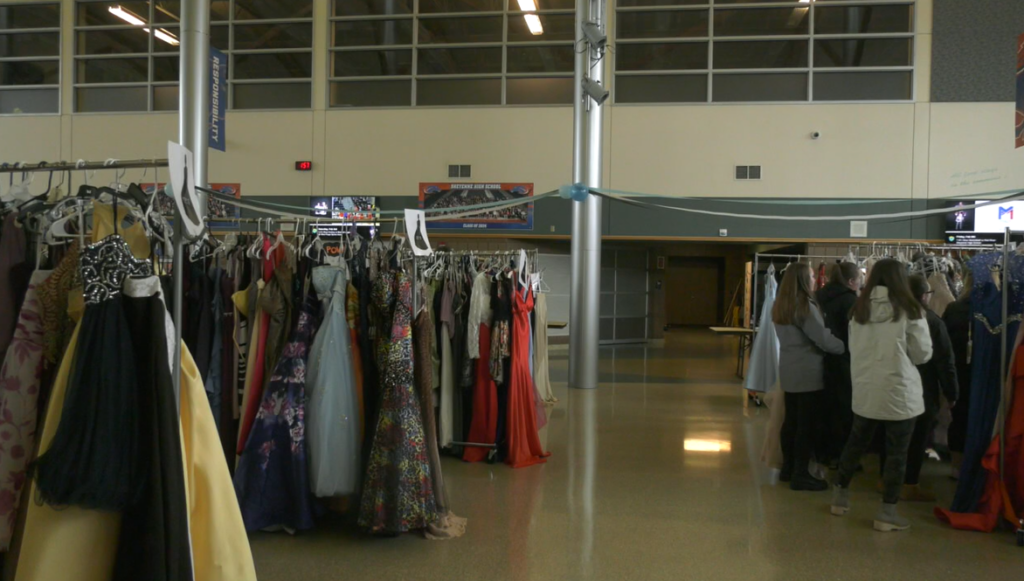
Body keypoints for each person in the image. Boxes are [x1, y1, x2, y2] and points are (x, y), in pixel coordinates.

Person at [830, 259, 932, 532]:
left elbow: (853, 348)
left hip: (866, 388)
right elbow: (922, 354)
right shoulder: (910, 310)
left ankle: (840, 498)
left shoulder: (858, 309)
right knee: (897, 454)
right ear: (901, 279)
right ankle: (887, 514)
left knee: (855, 443)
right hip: (900, 392)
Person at [772, 262, 844, 491]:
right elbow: (821, 338)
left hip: (788, 368)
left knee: (791, 421)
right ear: (804, 279)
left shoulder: (780, 305)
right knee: (806, 425)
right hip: (808, 371)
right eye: (812, 276)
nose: (815, 279)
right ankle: (801, 473)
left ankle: (788, 468)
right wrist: (844, 346)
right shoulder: (804, 305)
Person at [891, 275, 958, 501]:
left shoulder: (892, 317)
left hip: (894, 385)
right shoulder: (933, 321)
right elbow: (945, 361)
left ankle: (887, 480)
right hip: (924, 388)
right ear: (924, 296)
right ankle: (910, 484)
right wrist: (952, 392)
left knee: (893, 437)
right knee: (918, 438)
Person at [816, 262, 863, 465]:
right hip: (845, 358)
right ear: (851, 281)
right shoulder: (851, 300)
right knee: (844, 409)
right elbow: (856, 333)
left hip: (821, 357)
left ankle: (824, 452)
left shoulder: (819, 296)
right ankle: (841, 454)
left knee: (825, 406)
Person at [942, 271, 972, 480]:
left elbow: (943, 344)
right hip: (986, 373)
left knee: (959, 418)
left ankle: (956, 466)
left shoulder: (954, 309)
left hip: (958, 371)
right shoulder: (999, 310)